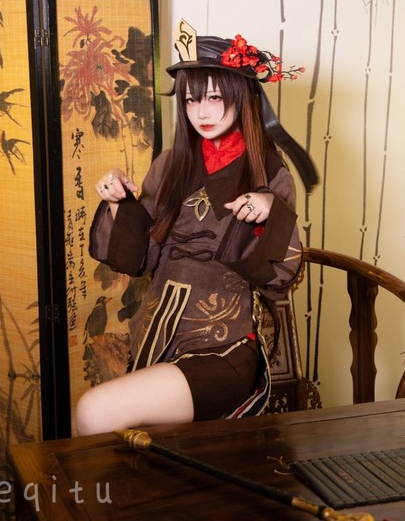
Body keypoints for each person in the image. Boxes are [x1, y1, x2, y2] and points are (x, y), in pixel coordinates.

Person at [75, 22, 318, 436]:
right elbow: (141, 259)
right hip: (157, 334)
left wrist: (269, 212)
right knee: (104, 426)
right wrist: (119, 203)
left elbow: (279, 279)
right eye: (191, 99)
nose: (201, 112)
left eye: (214, 98)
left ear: (240, 97)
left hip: (223, 345)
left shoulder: (269, 172)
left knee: (93, 411)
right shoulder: (170, 165)